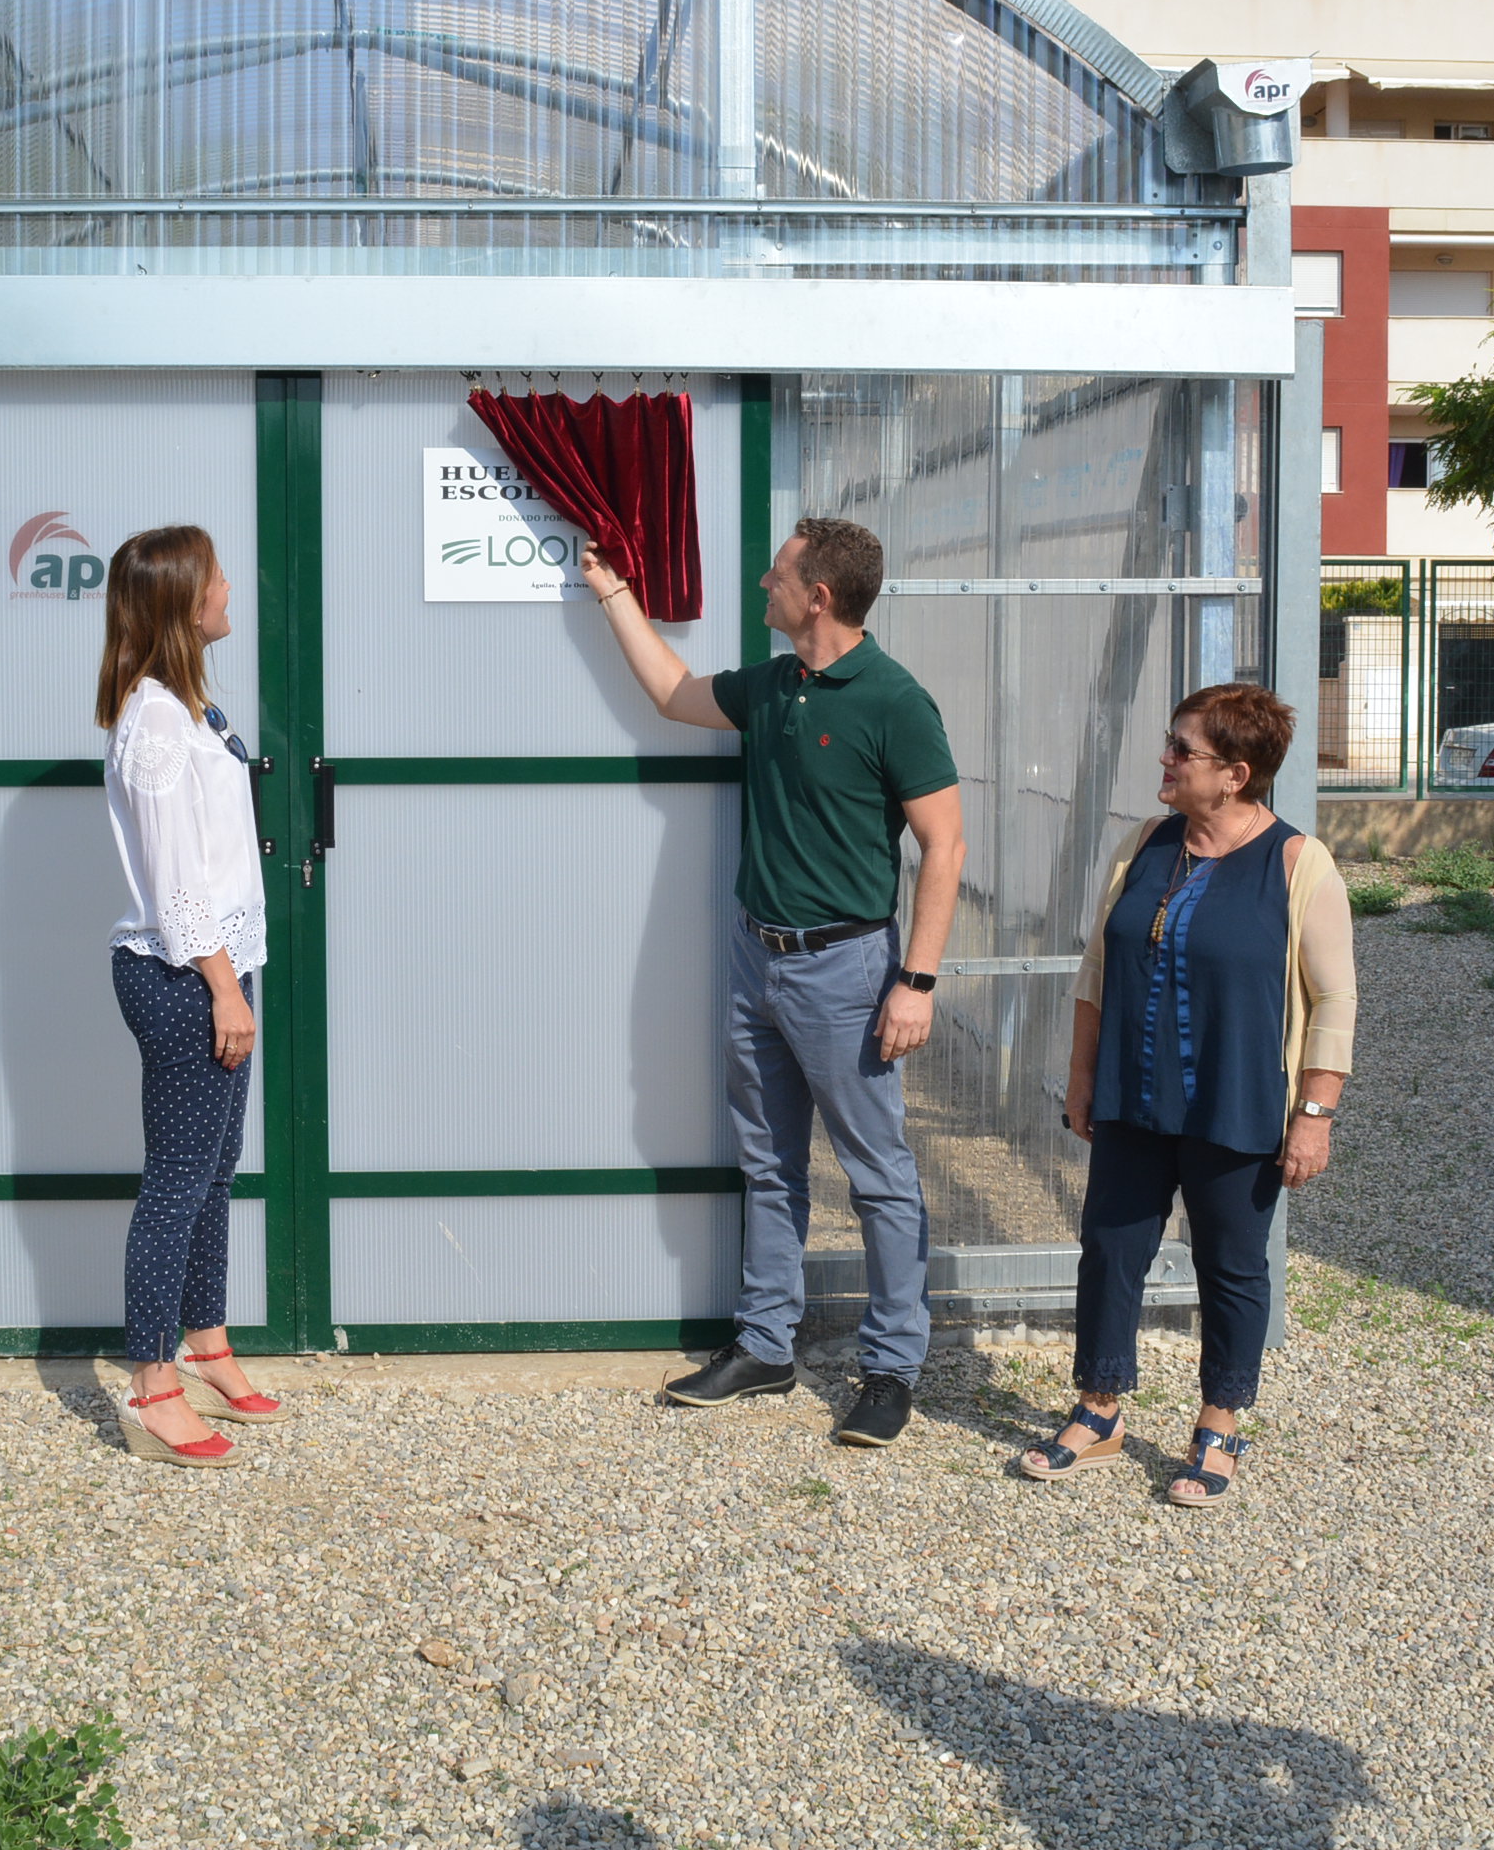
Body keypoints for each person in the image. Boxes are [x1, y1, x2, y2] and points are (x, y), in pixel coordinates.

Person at [578, 517, 965, 1448]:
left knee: (878, 1175)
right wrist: (611, 593)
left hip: (848, 970)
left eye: (780, 573)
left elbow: (945, 845)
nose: (764, 581)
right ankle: (765, 1346)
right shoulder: (777, 684)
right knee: (768, 1162)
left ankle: (891, 1366)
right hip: (758, 957)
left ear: (819, 596)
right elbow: (673, 693)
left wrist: (916, 981)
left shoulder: (894, 701)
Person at [1018, 683, 1355, 1503]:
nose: (1164, 760)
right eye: (1170, 744)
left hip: (1236, 1102)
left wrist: (1314, 1115)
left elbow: (1335, 999)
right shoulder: (1146, 843)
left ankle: (1219, 1427)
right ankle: (1099, 1412)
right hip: (1134, 1096)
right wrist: (1082, 1074)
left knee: (1231, 1267)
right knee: (1110, 1250)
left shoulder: (1297, 863)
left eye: (1181, 750)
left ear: (1236, 774)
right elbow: (1099, 969)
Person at [95, 525, 284, 1469]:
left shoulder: (185, 706)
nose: (225, 588)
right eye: (213, 577)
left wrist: (234, 980)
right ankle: (153, 1386)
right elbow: (176, 886)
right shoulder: (157, 727)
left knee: (213, 1175)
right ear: (180, 602)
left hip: (217, 971)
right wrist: (222, 991)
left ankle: (206, 1346)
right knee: (175, 1184)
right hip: (183, 979)